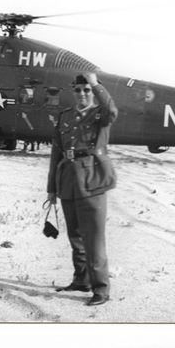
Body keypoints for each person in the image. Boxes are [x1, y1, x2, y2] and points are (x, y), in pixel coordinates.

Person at [46, 71, 118, 306]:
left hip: (92, 180)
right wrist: (51, 189)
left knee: (94, 238)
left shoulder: (100, 115)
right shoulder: (64, 117)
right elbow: (56, 152)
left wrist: (97, 84)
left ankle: (101, 288)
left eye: (87, 90)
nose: (82, 94)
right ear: (73, 92)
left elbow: (111, 110)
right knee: (75, 234)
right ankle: (82, 279)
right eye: (78, 90)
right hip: (67, 179)